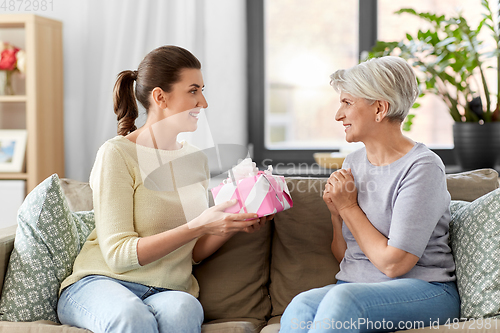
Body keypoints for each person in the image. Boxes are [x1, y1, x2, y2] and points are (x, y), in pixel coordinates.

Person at [57, 45, 273, 333]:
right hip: (102, 282)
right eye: (193, 91)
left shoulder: (195, 159)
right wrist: (198, 225)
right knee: (132, 317)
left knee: (185, 310)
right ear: (160, 97)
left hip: (168, 291)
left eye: (202, 90)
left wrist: (233, 221)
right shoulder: (117, 154)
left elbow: (191, 252)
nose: (204, 103)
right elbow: (119, 256)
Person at [279, 56, 460, 333]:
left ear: (380, 108)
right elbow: (347, 257)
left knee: (344, 298)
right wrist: (336, 214)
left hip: (426, 291)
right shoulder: (353, 163)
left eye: (347, 103)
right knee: (301, 305)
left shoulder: (422, 167)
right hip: (355, 288)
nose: (338, 115)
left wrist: (349, 207)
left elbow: (394, 264)